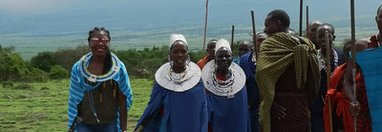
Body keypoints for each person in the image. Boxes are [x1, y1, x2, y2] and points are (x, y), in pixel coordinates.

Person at [256, 9, 320, 132]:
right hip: (302, 105)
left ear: (278, 23)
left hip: (279, 105)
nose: (265, 30)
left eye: (267, 25)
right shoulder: (307, 45)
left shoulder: (270, 44)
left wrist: (270, 102)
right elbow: (314, 78)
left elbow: (261, 74)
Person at [135, 34, 208, 132]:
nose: (179, 55)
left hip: (192, 125)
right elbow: (152, 107)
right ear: (170, 55)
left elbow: (202, 107)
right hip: (169, 125)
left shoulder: (196, 79)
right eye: (176, 52)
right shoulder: (161, 79)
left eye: (183, 51)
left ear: (187, 55)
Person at [67, 27, 133, 132]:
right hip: (83, 123)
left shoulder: (118, 68)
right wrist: (72, 125)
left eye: (104, 40)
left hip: (109, 124)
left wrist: (124, 129)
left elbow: (123, 100)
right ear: (89, 43)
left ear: (109, 42)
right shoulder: (78, 68)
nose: (100, 43)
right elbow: (74, 98)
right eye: (95, 40)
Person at [323, 39, 372, 132]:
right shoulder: (339, 73)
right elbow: (333, 96)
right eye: (349, 55)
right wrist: (352, 100)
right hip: (350, 112)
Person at [202, 39, 250, 132]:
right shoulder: (207, 83)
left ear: (232, 57)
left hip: (236, 124)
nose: (224, 59)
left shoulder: (240, 82)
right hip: (215, 125)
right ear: (215, 59)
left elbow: (242, 111)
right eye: (220, 56)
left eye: (227, 56)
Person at [311, 23, 345, 132]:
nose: (323, 39)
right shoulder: (312, 58)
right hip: (318, 107)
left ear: (333, 37)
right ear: (316, 39)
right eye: (320, 36)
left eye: (327, 36)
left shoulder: (341, 55)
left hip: (338, 107)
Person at [239, 32, 267, 132]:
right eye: (259, 40)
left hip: (269, 105)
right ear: (254, 42)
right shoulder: (244, 60)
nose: (262, 42)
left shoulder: (273, 59)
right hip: (251, 105)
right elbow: (242, 83)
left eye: (265, 40)